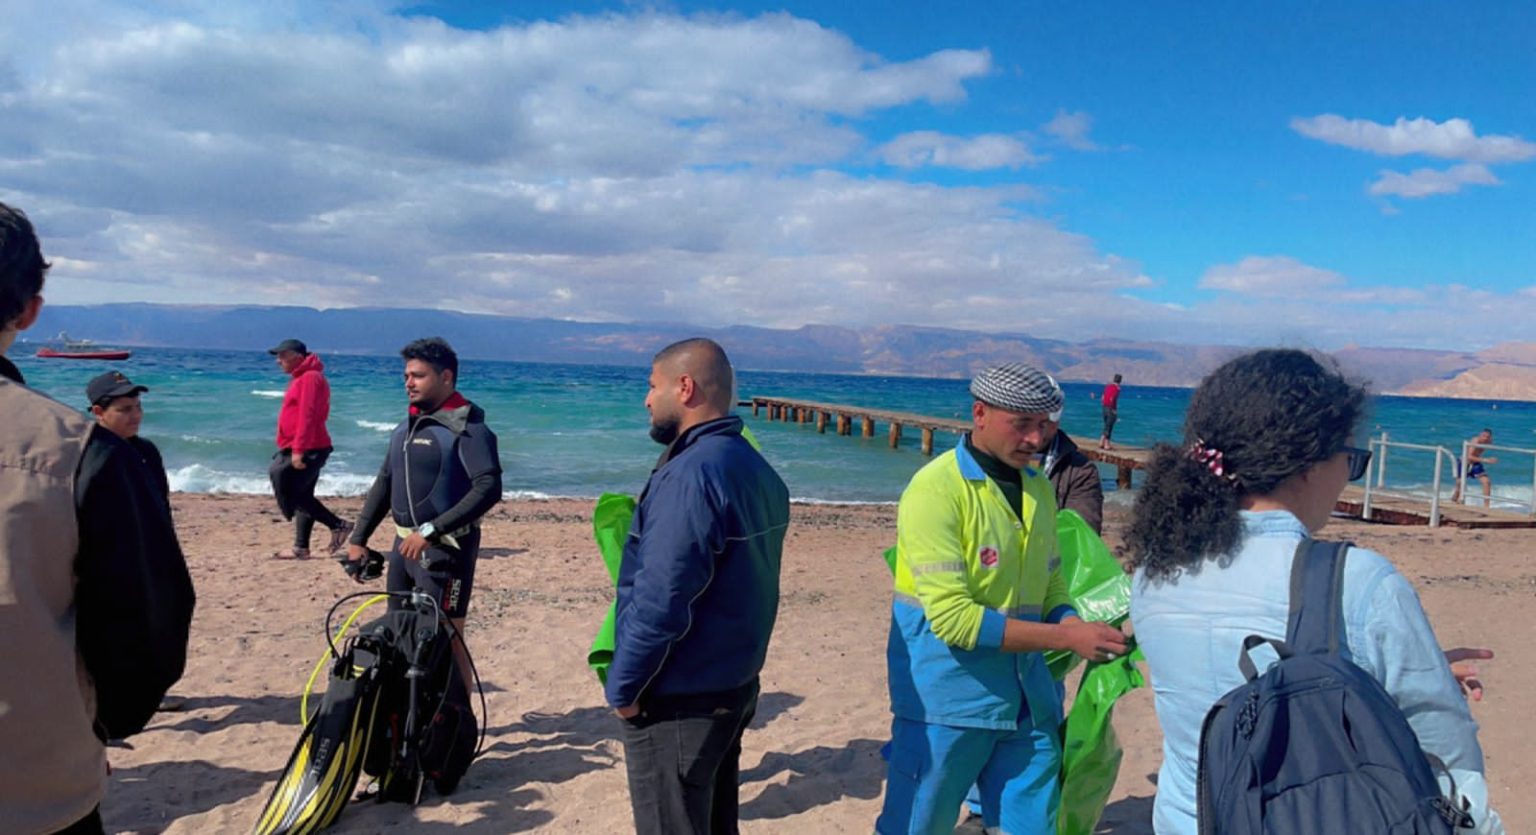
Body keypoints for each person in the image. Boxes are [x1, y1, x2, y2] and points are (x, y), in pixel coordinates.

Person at [1125, 349, 1503, 835]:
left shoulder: (1157, 569)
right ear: (1308, 464)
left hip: (1187, 819)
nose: (1347, 477)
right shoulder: (1358, 581)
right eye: (1352, 460)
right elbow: (1445, 756)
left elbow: (1218, 683)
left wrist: (1373, 677)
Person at [1, 201, 195, 835]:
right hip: (31, 782)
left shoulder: (114, 453)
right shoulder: (77, 451)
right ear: (30, 310)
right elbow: (145, 619)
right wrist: (100, 723)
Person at [877, 362, 1128, 835]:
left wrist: (1074, 624)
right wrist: (1066, 639)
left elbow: (1051, 585)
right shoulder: (935, 490)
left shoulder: (1037, 487)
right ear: (980, 413)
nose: (1035, 439)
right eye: (1022, 424)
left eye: (1045, 426)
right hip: (946, 704)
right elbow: (954, 619)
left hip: (1028, 699)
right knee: (916, 825)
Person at [606, 338, 790, 835]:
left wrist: (624, 688)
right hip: (732, 684)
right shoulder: (754, 467)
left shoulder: (691, 476)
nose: (646, 400)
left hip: (683, 696)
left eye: (652, 386)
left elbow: (662, 599)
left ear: (684, 388)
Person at [346, 337, 501, 690]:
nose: (408, 383)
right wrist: (359, 538)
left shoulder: (469, 428)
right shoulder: (405, 428)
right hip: (404, 549)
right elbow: (384, 483)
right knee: (399, 630)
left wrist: (432, 530)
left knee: (448, 638)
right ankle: (410, 715)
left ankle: (460, 719)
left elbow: (489, 487)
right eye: (406, 376)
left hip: (448, 550)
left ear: (446, 377)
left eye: (418, 376)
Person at [268, 337, 352, 559]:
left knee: (295, 493)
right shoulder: (301, 377)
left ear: (297, 357)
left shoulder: (310, 378)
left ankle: (338, 525)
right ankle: (301, 548)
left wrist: (298, 450)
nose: (278, 361)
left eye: (282, 356)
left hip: (309, 447)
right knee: (304, 495)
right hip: (305, 445)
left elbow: (308, 416)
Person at [86, 370, 170, 502]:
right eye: (125, 409)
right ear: (99, 412)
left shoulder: (146, 450)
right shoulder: (88, 454)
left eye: (138, 407)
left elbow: (161, 501)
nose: (136, 415)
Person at [1451, 428, 1497, 507]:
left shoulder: (1488, 442)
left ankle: (1486, 506)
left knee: (1486, 481)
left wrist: (1492, 459)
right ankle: (1454, 501)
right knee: (1459, 486)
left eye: (1487, 437)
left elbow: (1492, 443)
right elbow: (1469, 456)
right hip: (1464, 463)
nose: (1485, 438)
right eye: (1483, 436)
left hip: (1475, 463)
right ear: (1480, 435)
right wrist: (1485, 460)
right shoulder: (1476, 441)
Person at [1099, 373, 1122, 450]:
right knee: (1109, 427)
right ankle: (1106, 444)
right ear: (1120, 381)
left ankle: (1102, 442)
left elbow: (1102, 398)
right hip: (1111, 408)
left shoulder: (1107, 386)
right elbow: (1113, 399)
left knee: (1106, 425)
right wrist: (1114, 410)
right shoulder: (1117, 389)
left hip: (1104, 407)